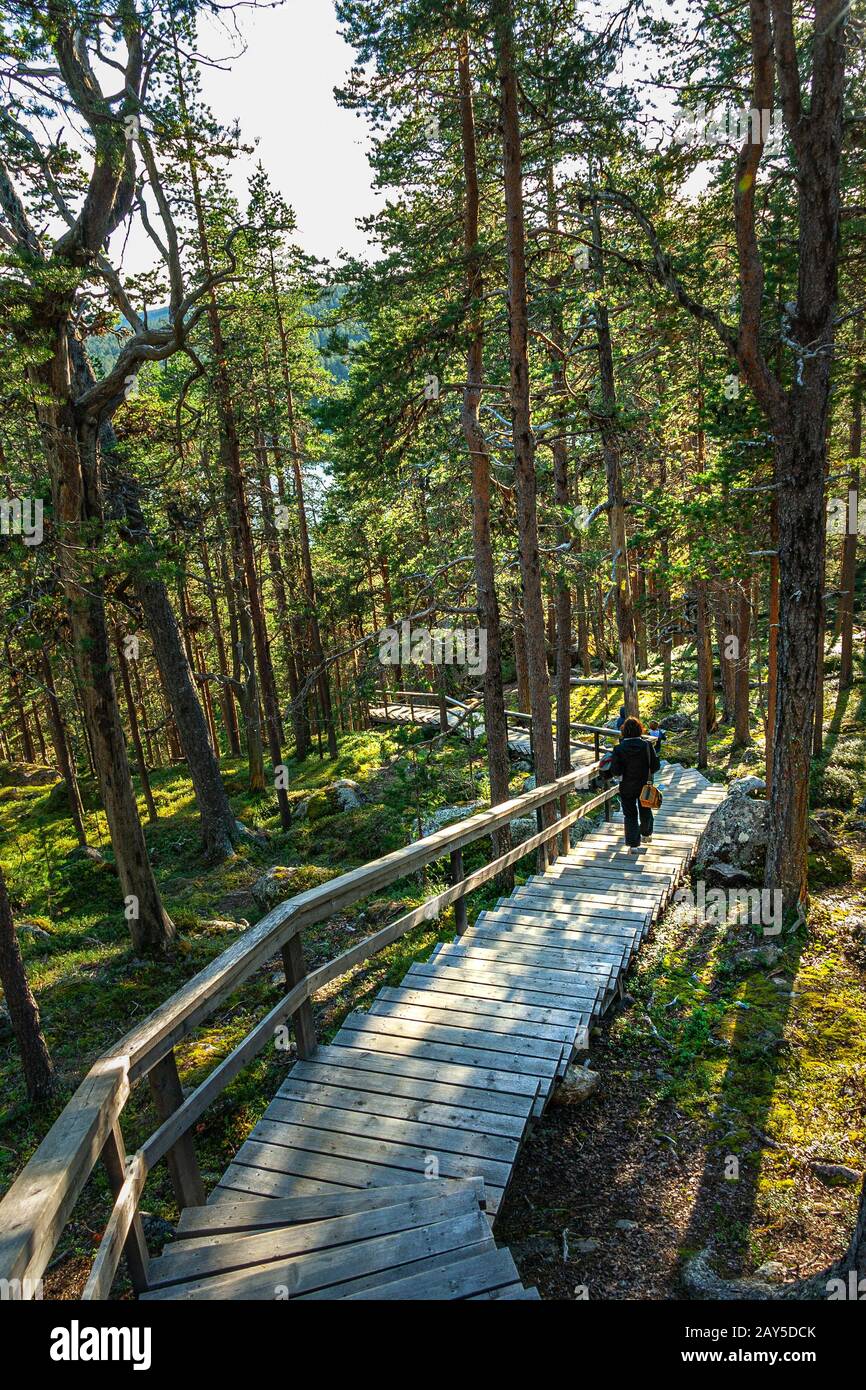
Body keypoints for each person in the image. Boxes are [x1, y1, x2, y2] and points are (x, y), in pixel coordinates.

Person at [609, 715, 661, 852]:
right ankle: (646, 833)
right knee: (645, 809)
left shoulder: (619, 749)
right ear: (640, 730)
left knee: (630, 814)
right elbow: (656, 766)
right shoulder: (647, 746)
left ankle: (633, 844)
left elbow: (615, 770)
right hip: (645, 785)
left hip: (626, 786)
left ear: (624, 731)